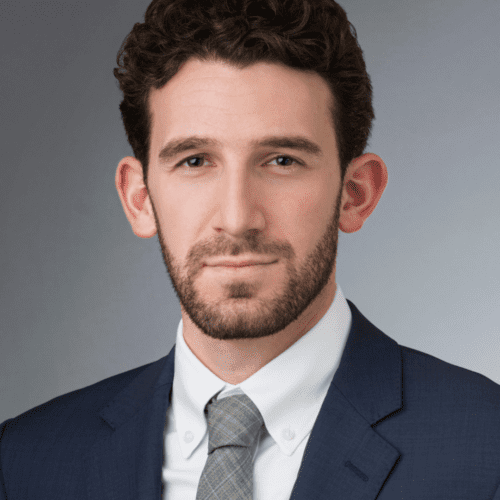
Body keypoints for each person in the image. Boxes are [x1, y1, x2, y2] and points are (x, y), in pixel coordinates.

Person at [1, 0, 499, 498]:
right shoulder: (25, 461)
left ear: (355, 194)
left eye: (281, 160)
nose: (237, 218)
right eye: (195, 161)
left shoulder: (485, 449)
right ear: (139, 198)